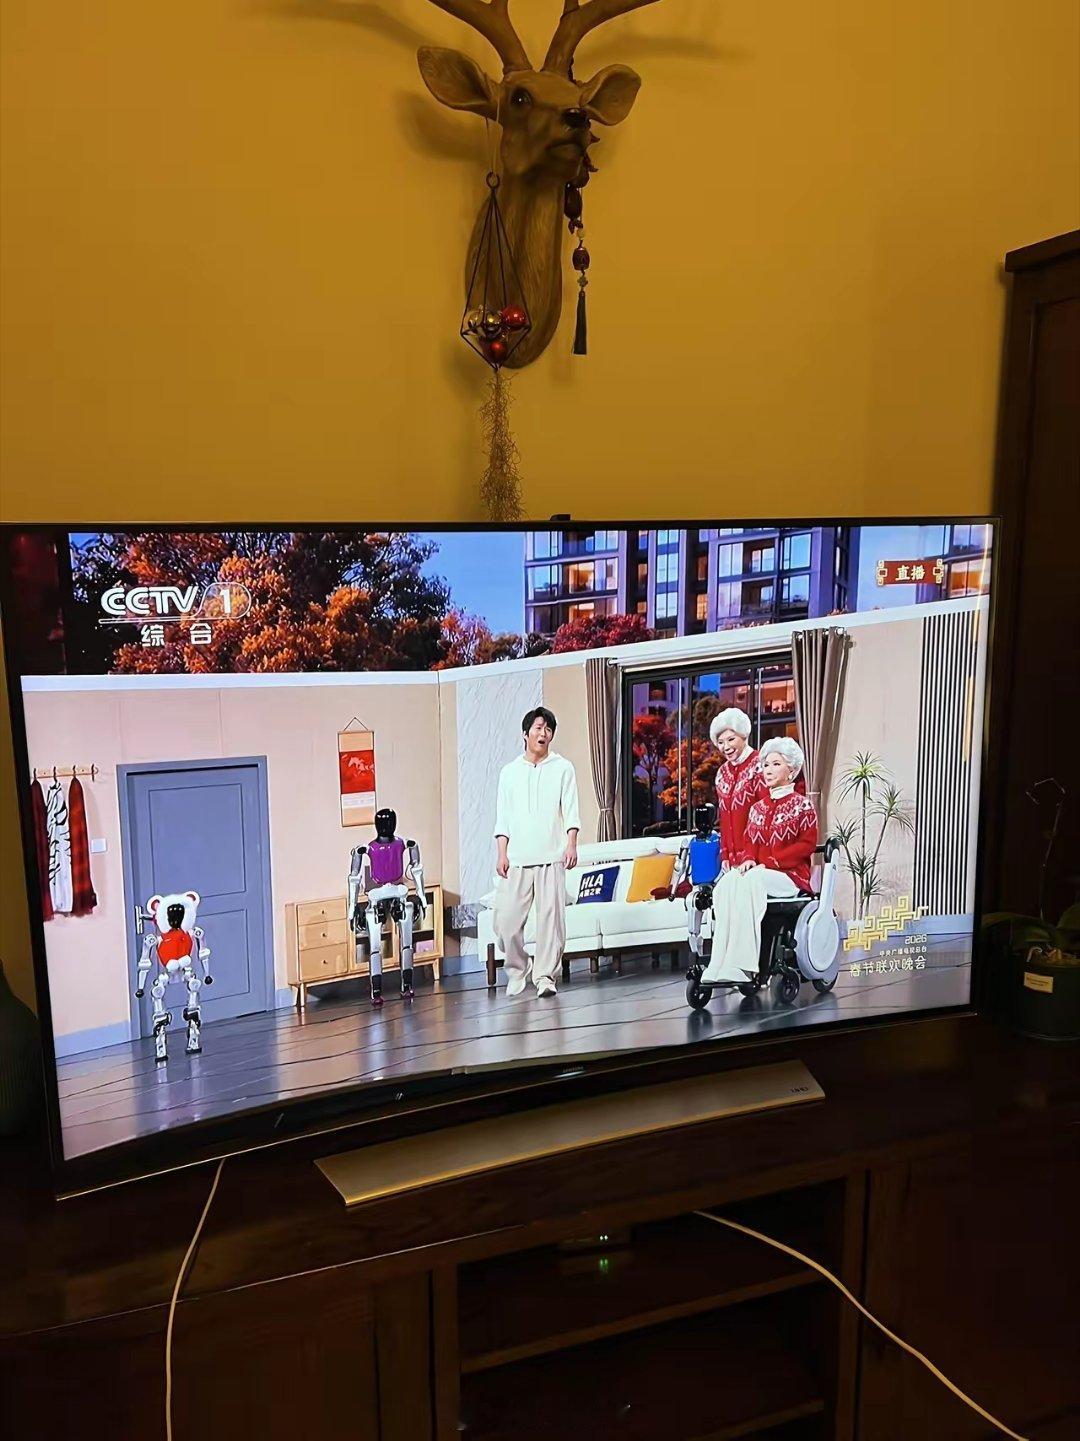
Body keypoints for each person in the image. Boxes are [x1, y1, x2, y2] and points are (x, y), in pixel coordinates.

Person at [702, 737, 817, 984]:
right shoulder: (757, 809)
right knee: (726, 884)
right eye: (765, 765)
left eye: (776, 764)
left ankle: (744, 966)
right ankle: (719, 963)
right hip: (760, 874)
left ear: (791, 770)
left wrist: (772, 861)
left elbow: (806, 845)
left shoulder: (803, 806)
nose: (768, 770)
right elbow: (749, 844)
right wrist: (747, 860)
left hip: (791, 876)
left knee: (751, 881)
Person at [493, 706, 580, 999]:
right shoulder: (509, 773)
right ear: (525, 733)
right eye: (538, 728)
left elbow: (571, 810)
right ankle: (518, 968)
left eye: (548, 729)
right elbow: (503, 818)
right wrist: (502, 853)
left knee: (551, 923)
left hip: (551, 856)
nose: (543, 734)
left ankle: (545, 976)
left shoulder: (563, 768)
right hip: (517, 858)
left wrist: (571, 844)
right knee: (506, 922)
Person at [710, 707, 762, 870]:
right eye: (720, 742)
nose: (726, 747)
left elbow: (765, 814)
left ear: (743, 736)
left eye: (731, 739)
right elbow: (724, 818)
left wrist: (751, 855)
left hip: (757, 858)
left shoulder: (760, 764)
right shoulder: (722, 773)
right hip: (732, 862)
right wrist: (725, 854)